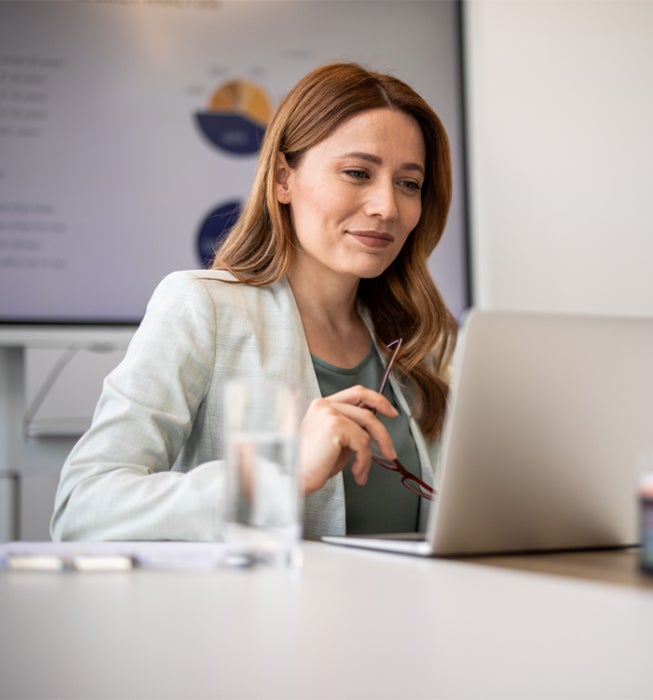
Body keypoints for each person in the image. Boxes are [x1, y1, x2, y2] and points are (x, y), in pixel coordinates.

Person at [50, 62, 458, 542]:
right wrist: (277, 474)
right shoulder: (201, 307)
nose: (386, 207)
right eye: (356, 172)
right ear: (284, 178)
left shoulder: (421, 342)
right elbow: (83, 507)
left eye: (408, 184)